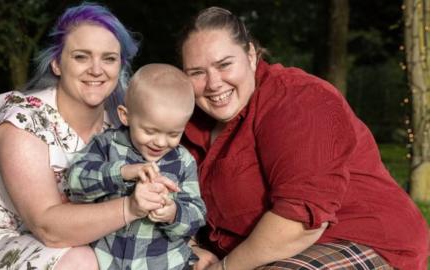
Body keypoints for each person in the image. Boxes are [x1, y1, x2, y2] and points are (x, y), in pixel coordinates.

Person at [177, 6, 429, 270]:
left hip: (358, 238)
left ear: (251, 56)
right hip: (257, 255)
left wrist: (226, 267)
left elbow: (300, 223)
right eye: (197, 72)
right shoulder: (185, 121)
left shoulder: (298, 100)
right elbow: (175, 197)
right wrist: (192, 248)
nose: (213, 83)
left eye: (224, 64)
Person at [0, 3, 179, 270]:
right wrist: (130, 207)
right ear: (57, 63)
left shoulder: (121, 125)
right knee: (81, 261)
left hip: (82, 244)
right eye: (81, 57)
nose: (96, 69)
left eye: (109, 58)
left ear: (120, 66)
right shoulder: (22, 121)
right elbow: (48, 228)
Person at [67, 63, 206, 270]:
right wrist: (121, 172)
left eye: (173, 134)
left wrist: (173, 213)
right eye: (150, 131)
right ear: (125, 116)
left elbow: (197, 215)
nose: (160, 142)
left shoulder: (183, 162)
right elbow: (75, 182)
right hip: (106, 261)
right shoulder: (106, 146)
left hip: (165, 264)